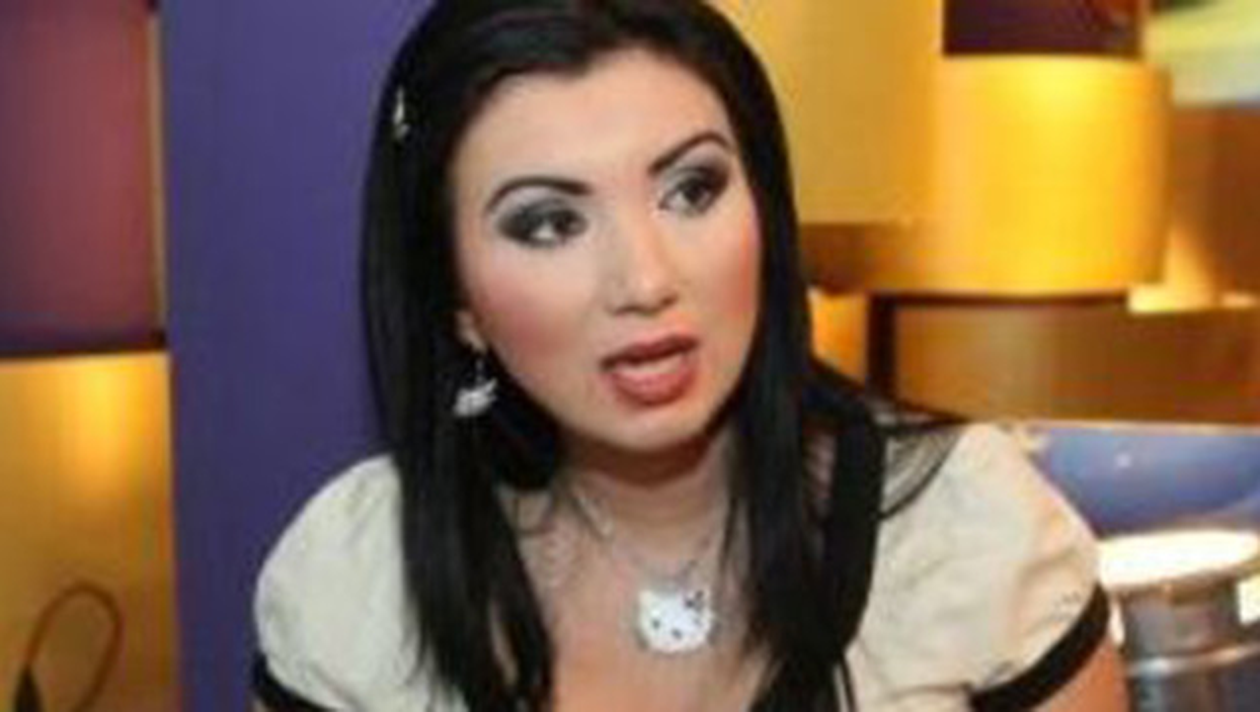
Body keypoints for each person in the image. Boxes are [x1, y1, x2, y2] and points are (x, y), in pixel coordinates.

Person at [251, 1, 1128, 710]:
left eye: (691, 189)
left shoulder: (966, 534)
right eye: (549, 223)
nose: (645, 279)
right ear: (460, 304)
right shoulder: (360, 579)